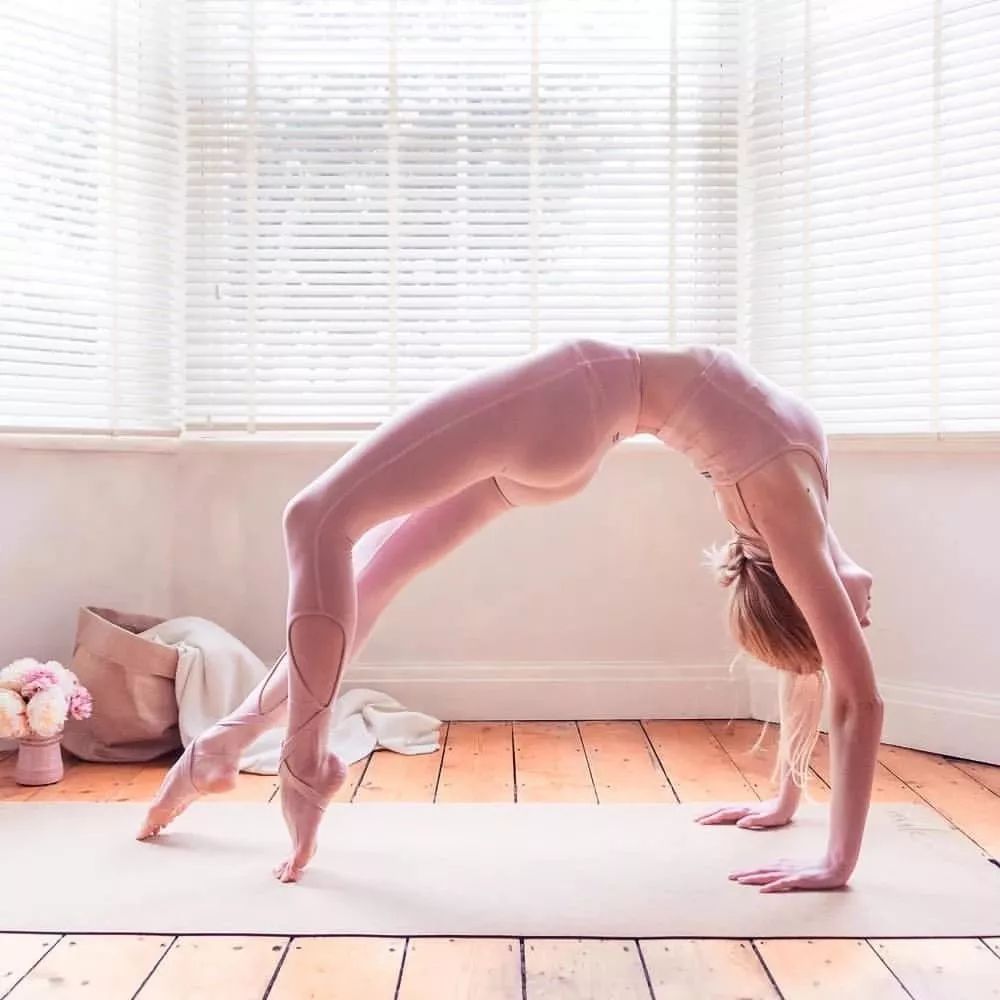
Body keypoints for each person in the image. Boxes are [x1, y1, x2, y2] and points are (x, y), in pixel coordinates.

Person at [137, 338, 881, 890]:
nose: (861, 620)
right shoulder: (807, 513)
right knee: (374, 577)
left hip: (578, 397)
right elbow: (817, 667)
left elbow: (857, 697)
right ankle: (226, 743)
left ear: (797, 586)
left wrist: (837, 862)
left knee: (314, 520)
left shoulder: (782, 510)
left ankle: (303, 768)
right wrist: (785, 796)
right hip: (573, 442)